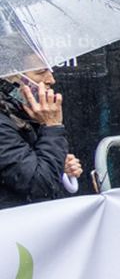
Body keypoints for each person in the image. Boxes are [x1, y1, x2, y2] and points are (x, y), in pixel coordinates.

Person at [0, 56, 81, 208]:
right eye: (41, 72)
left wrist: (57, 164)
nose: (51, 79)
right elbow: (39, 186)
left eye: (50, 70)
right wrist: (52, 126)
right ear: (12, 77)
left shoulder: (21, 113)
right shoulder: (4, 123)